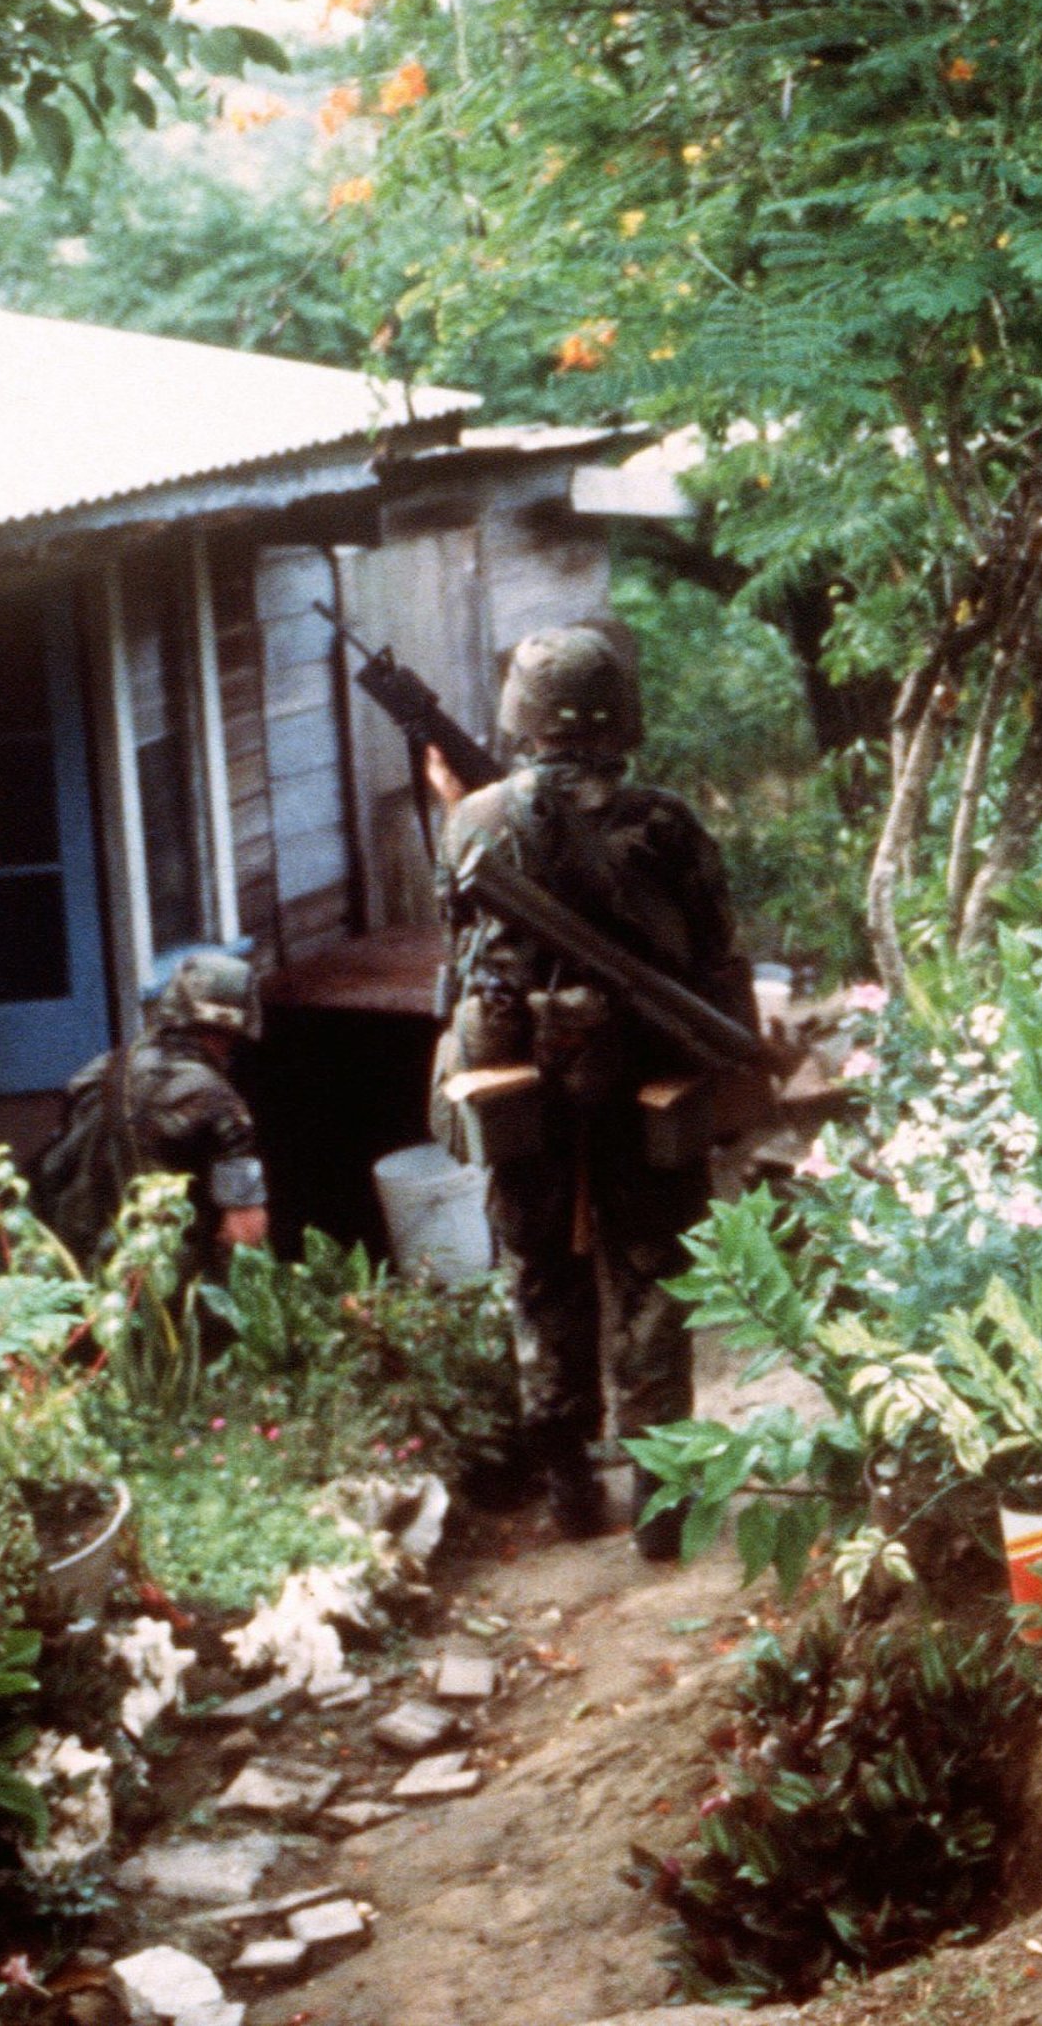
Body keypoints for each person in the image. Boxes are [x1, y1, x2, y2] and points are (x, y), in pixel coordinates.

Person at [431, 623, 755, 1559]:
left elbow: (457, 945)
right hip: (644, 1076)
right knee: (654, 1281)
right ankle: (662, 1508)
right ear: (623, 713)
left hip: (521, 1085)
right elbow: (714, 947)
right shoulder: (667, 822)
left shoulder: (473, 821)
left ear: (521, 716)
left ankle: (570, 1487)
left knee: (540, 1275)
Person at [34, 951, 271, 1271]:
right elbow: (244, 1230)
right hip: (161, 1284)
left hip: (83, 1270)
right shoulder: (218, 1101)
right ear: (233, 1027)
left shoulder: (100, 1071)